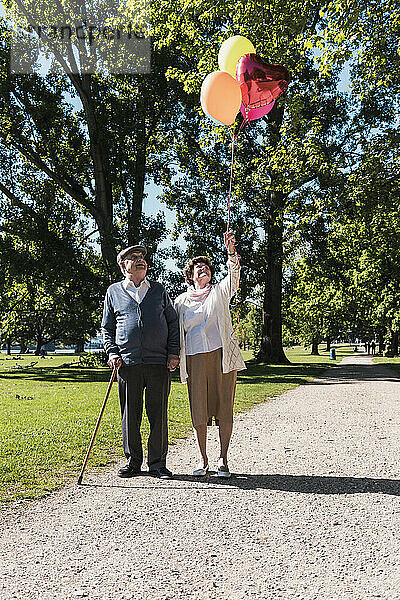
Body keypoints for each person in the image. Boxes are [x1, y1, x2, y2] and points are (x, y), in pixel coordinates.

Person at [101, 244, 180, 480]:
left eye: (142, 257)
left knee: (158, 414)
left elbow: (173, 323)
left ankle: (157, 463)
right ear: (123, 265)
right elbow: (107, 327)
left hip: (158, 362)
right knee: (130, 414)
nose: (140, 260)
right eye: (133, 258)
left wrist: (173, 353)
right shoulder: (113, 291)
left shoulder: (158, 290)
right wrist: (112, 352)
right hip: (126, 362)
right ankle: (133, 461)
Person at [174, 230, 246, 478]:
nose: (203, 269)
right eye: (198, 267)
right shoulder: (181, 301)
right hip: (194, 359)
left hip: (222, 357)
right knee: (199, 410)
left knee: (224, 406)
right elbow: (175, 332)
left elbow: (234, 276)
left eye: (206, 267)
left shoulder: (220, 291)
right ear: (190, 275)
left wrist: (230, 251)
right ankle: (202, 459)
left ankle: (223, 459)